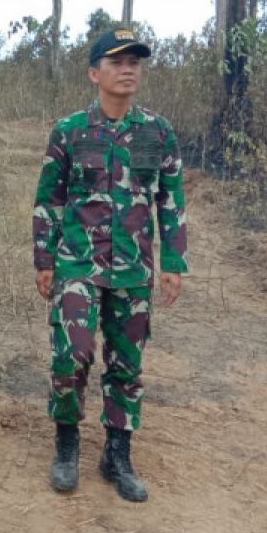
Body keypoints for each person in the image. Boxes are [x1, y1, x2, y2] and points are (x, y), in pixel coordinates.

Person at [32, 27, 188, 501]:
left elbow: (170, 198)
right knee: (72, 354)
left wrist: (173, 261)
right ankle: (66, 444)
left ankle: (117, 454)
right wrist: (44, 258)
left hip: (133, 269)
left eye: (135, 61)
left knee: (126, 364)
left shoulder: (155, 132)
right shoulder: (71, 130)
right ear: (93, 72)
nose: (128, 69)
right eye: (117, 61)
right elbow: (50, 198)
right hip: (77, 262)